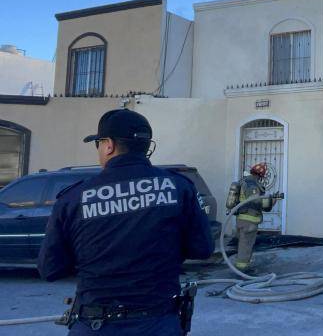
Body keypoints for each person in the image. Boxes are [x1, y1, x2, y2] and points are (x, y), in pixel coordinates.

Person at [37, 109, 214, 335]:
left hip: (97, 325)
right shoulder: (179, 187)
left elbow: (50, 269)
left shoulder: (74, 198)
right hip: (158, 323)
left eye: (98, 144)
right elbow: (202, 249)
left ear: (108, 145)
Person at [225, 163, 269, 272]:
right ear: (260, 175)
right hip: (249, 220)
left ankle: (241, 265)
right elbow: (255, 201)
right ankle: (242, 270)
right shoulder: (252, 184)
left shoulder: (243, 181)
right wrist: (270, 200)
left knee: (242, 244)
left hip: (241, 218)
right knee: (246, 246)